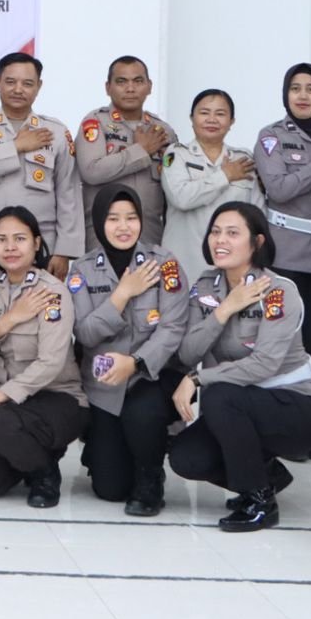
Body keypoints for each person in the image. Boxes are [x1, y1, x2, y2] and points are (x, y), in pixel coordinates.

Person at [169, 203, 311, 532]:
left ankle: (259, 500)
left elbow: (264, 364)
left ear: (257, 242)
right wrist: (224, 310)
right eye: (215, 232)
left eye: (232, 233)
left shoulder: (278, 291)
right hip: (239, 406)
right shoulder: (206, 286)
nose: (220, 240)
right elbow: (187, 352)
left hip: (297, 407)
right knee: (186, 457)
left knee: (219, 395)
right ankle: (267, 476)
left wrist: (198, 378)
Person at [68, 185, 189, 516]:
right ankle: (99, 449)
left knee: (142, 414)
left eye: (131, 218)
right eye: (113, 219)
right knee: (110, 489)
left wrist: (135, 363)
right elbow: (85, 334)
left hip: (152, 376)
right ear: (99, 222)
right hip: (104, 385)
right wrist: (122, 294)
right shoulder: (82, 270)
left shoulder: (163, 264)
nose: (123, 227)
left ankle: (151, 477)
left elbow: (173, 328)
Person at [0, 207, 86, 507]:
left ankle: (45, 472)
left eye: (20, 238)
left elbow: (50, 364)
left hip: (57, 398)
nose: (10, 247)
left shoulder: (51, 291)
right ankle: (30, 455)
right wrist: (11, 318)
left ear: (36, 243)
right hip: (12, 406)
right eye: (1, 239)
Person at [254, 62, 311, 462]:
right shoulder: (271, 137)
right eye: (296, 88)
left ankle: (310, 430)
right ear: (286, 94)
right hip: (288, 255)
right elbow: (278, 189)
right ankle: (279, 429)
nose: (304, 95)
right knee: (284, 342)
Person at [0, 52, 84, 282]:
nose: (18, 89)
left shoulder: (55, 132)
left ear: (39, 86)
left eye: (27, 83)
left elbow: (69, 193)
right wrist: (16, 146)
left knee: (43, 305)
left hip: (41, 246)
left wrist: (64, 250)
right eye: (10, 81)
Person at [162, 89, 263, 272]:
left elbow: (257, 213)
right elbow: (181, 198)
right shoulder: (176, 154)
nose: (212, 119)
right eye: (204, 113)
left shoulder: (243, 159)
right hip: (184, 265)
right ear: (192, 118)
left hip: (232, 264)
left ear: (232, 121)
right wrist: (225, 176)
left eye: (220, 114)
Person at [76, 56, 173, 247]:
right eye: (121, 82)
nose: (130, 88)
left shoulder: (163, 131)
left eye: (138, 81)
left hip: (150, 236)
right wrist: (141, 151)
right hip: (103, 238)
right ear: (108, 87)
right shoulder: (96, 122)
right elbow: (91, 171)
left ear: (149, 86)